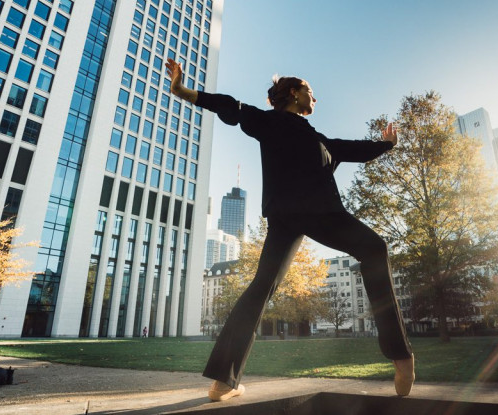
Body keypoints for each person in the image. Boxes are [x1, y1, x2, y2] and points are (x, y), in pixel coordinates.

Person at [164, 58, 415, 402]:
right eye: (311, 92)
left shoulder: (320, 139)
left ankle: (400, 357)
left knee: (372, 250)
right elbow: (230, 106)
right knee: (265, 288)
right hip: (301, 215)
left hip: (306, 214)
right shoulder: (270, 123)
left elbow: (354, 149)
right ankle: (224, 380)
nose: (315, 99)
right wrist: (182, 91)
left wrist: (387, 145)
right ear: (294, 93)